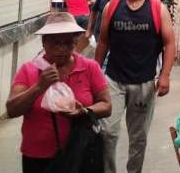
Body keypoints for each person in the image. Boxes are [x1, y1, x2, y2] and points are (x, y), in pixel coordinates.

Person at [6, 13, 112, 173]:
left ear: (76, 42)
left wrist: (84, 111)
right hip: (38, 156)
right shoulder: (29, 70)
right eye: (55, 43)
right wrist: (39, 86)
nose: (61, 49)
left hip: (80, 153)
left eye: (68, 43)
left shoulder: (89, 67)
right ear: (44, 42)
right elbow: (12, 110)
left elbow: (106, 106)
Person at [95, 0, 175, 173]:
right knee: (106, 133)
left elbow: (169, 43)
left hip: (144, 83)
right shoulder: (112, 6)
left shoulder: (158, 8)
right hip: (113, 80)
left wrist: (165, 75)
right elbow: (103, 41)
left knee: (138, 138)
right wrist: (94, 73)